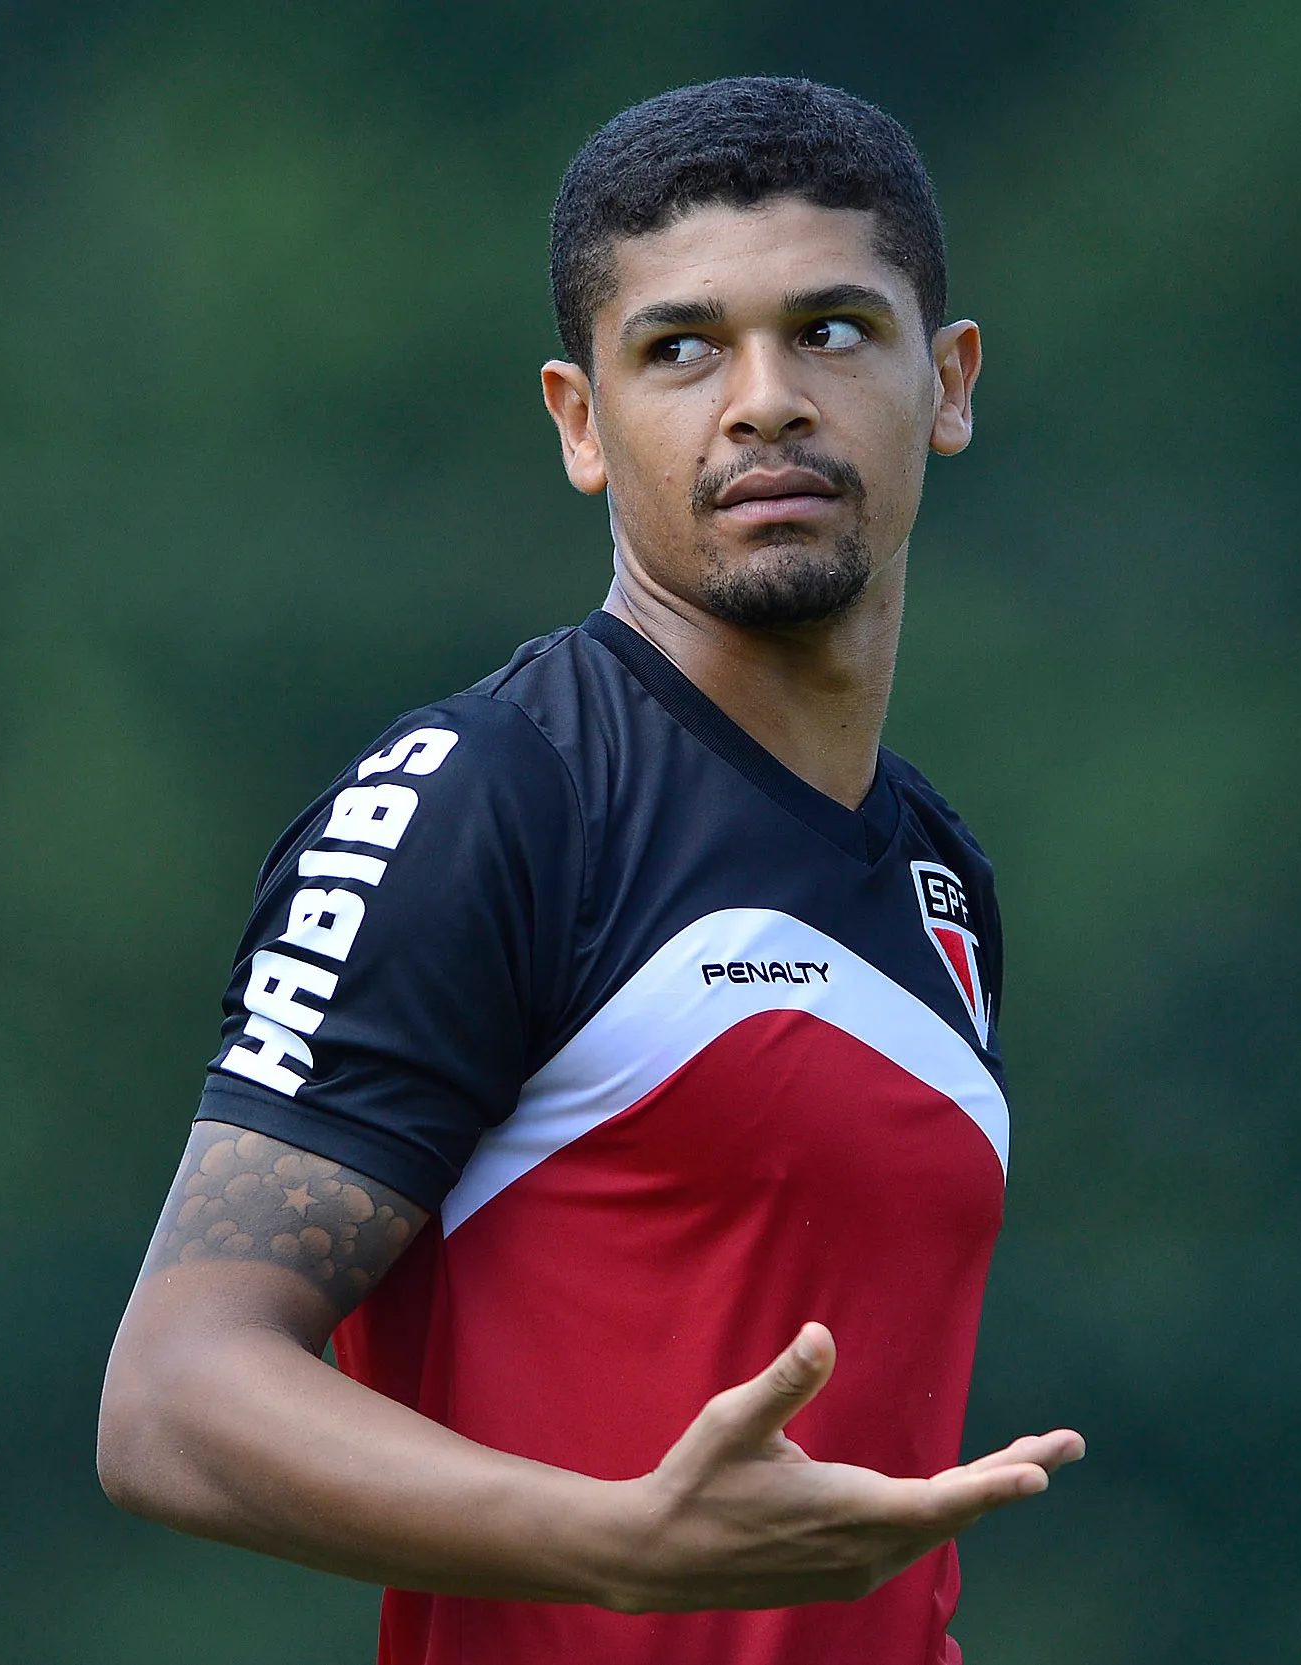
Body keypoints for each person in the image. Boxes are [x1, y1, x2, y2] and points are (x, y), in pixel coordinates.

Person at [95, 77, 1083, 1665]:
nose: (764, 399)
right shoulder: (491, 800)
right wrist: (623, 1547)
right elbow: (173, 1400)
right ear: (579, 418)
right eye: (681, 347)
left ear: (949, 383)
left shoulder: (938, 881)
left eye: (833, 329)